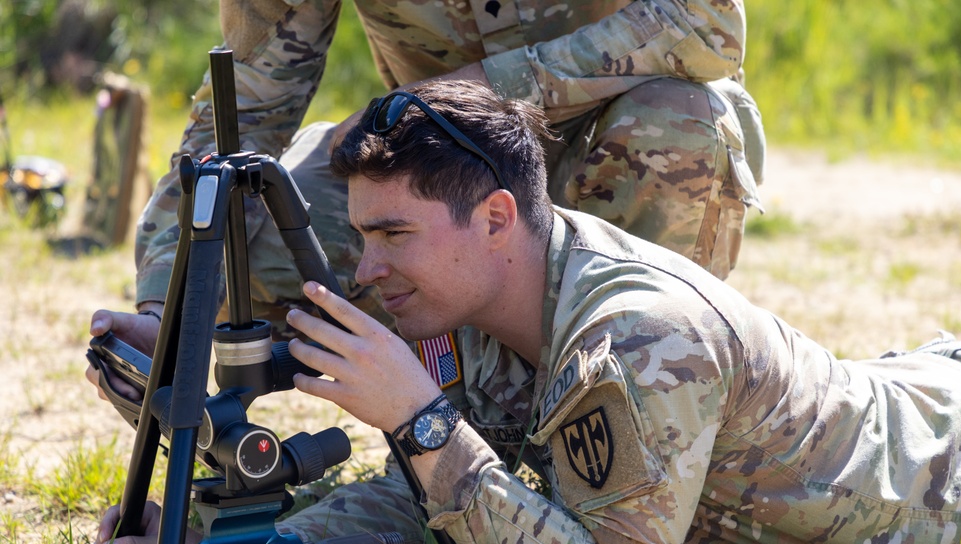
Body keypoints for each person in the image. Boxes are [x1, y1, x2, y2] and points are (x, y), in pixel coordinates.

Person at [91, 80, 961, 544]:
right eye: (363, 235)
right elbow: (421, 500)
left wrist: (421, 420)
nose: (365, 270)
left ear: (493, 218)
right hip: (919, 392)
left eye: (393, 234)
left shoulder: (639, 341)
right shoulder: (479, 297)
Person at [87, 0, 764, 370]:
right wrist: (168, 307)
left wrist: (476, 91)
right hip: (444, 177)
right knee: (252, 246)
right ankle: (449, 400)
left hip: (616, 146)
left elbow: (706, 24)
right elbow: (245, 108)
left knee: (687, 125)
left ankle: (647, 393)